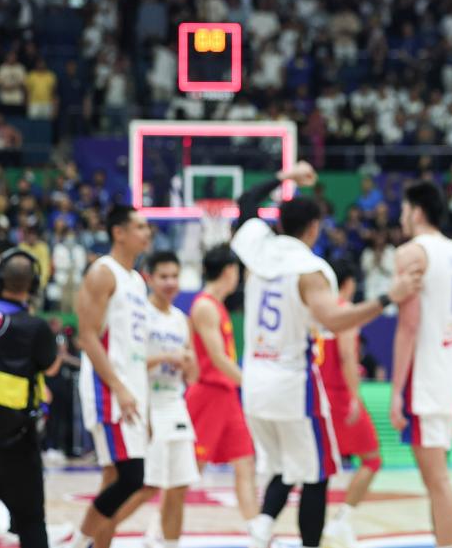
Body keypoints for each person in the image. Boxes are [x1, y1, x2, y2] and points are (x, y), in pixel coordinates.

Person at [229, 161, 421, 548]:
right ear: (314, 228)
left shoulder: (256, 249)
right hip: (291, 385)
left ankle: (262, 527)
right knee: (318, 472)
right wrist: (389, 297)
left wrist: (286, 177)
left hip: (254, 383)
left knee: (285, 467)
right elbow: (335, 320)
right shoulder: (310, 270)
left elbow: (247, 199)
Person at [389, 181, 452, 548]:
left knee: (436, 481)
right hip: (450, 373)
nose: (401, 218)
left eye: (404, 210)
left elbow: (408, 326)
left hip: (423, 376)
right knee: (438, 480)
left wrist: (396, 391)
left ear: (417, 211)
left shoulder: (412, 253)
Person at [73, 205, 152, 548]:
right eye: (140, 227)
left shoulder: (136, 280)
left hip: (131, 387)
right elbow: (87, 336)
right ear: (118, 232)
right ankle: (78, 544)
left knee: (115, 476)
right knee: (132, 476)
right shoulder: (103, 273)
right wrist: (118, 387)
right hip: (107, 387)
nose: (147, 233)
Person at [0, 250, 60, 548]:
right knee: (30, 523)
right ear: (34, 284)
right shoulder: (35, 326)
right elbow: (50, 367)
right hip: (15, 441)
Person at [185, 245, 257, 533]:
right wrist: (253, 384)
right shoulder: (205, 306)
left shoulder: (217, 305)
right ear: (229, 271)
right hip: (209, 394)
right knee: (191, 468)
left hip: (226, 395)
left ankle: (257, 531)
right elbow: (217, 358)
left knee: (245, 463)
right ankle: (156, 530)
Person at [319, 259, 384, 548]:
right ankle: (341, 520)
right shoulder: (344, 310)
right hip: (339, 395)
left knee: (320, 467)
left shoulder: (320, 310)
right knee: (372, 458)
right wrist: (355, 397)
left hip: (319, 394)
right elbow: (347, 356)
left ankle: (321, 527)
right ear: (348, 283)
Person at [142, 251, 199, 548]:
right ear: (150, 278)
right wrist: (167, 356)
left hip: (175, 403)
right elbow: (130, 364)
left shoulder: (181, 319)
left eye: (175, 276)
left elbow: (194, 374)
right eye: (163, 276)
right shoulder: (141, 314)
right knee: (146, 487)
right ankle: (95, 535)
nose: (170, 282)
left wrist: (188, 361)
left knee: (179, 486)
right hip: (147, 403)